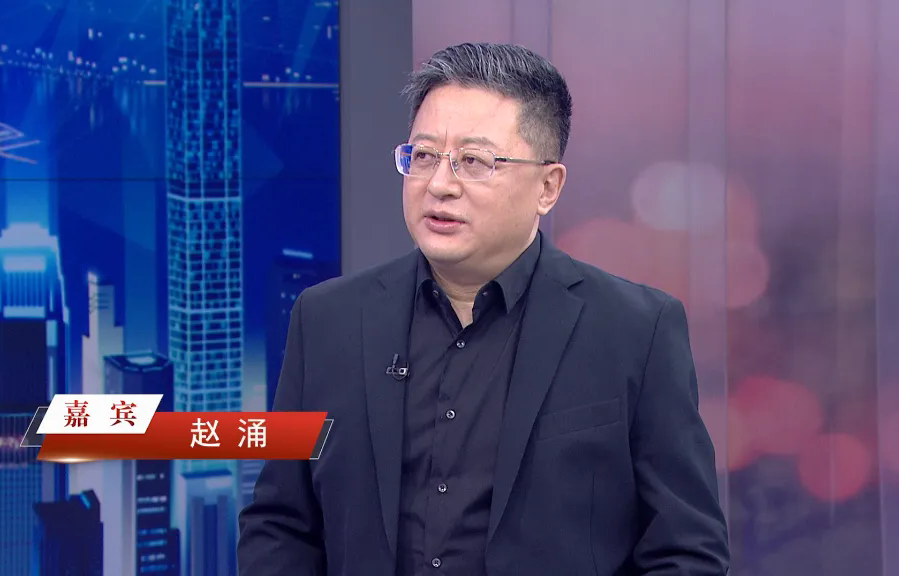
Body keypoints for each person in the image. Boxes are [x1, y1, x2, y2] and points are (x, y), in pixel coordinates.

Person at [238, 42, 730, 576]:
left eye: (474, 162)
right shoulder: (327, 320)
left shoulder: (635, 331)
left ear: (548, 187)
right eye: (423, 156)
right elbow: (280, 525)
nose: (439, 185)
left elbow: (686, 551)